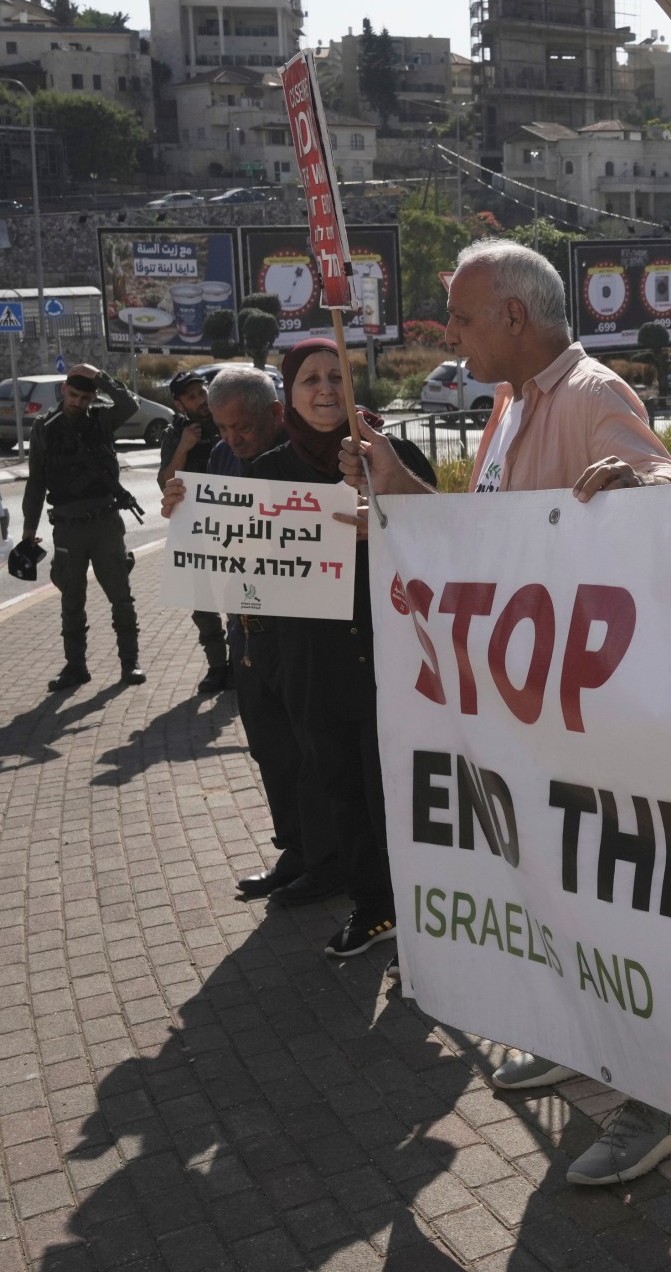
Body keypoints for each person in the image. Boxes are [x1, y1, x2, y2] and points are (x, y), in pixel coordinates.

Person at [342, 239, 671, 1189]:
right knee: (556, 892)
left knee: (618, 911)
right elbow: (483, 537)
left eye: (459, 316)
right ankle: (582, 1045)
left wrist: (638, 487)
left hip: (592, 719)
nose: (447, 333)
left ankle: (660, 1106)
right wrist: (396, 486)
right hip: (530, 716)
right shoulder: (506, 405)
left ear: (513, 316)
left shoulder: (588, 394)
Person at [253, 338, 435, 958]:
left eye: (338, 376)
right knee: (345, 796)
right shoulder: (268, 475)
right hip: (318, 666)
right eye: (311, 379)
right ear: (288, 393)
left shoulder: (392, 455)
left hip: (396, 657)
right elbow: (235, 560)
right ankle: (375, 911)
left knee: (404, 795)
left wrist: (383, 505)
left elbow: (445, 535)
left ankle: (430, 912)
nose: (326, 389)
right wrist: (185, 512)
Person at [159, 367, 307, 901]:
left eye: (242, 427)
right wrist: (181, 508)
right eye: (222, 428)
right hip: (245, 621)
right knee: (267, 742)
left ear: (275, 415)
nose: (232, 439)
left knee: (309, 742)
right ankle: (295, 848)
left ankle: (327, 855)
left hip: (304, 628)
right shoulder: (222, 458)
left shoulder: (302, 455)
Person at [17, 364, 145, 692]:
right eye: (73, 395)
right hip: (68, 527)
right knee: (71, 599)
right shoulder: (45, 428)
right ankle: (76, 667)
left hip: (105, 522)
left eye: (85, 397)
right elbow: (36, 481)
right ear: (63, 390)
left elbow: (130, 405)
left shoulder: (100, 419)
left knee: (121, 596)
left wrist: (100, 375)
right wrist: (29, 529)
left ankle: (130, 663)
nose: (78, 402)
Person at [159, 369, 232, 695]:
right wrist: (185, 447)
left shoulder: (226, 420)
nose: (201, 400)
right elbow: (165, 482)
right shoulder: (176, 434)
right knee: (203, 602)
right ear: (179, 403)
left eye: (202, 393)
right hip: (195, 530)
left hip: (233, 527)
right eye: (192, 397)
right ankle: (218, 666)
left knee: (239, 597)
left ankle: (243, 663)